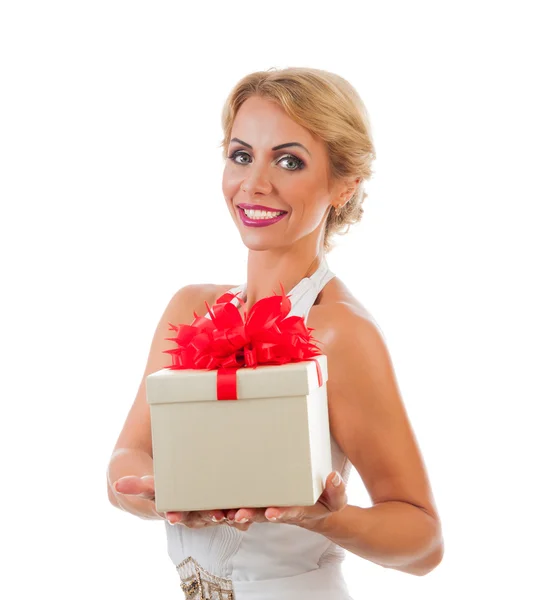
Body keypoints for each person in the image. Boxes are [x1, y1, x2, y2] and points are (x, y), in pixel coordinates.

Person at [107, 67, 444, 599]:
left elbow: (424, 542)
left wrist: (322, 519)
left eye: (289, 161)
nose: (255, 183)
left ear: (344, 185)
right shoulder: (189, 307)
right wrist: (162, 493)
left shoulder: (338, 332)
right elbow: (125, 462)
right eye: (242, 155)